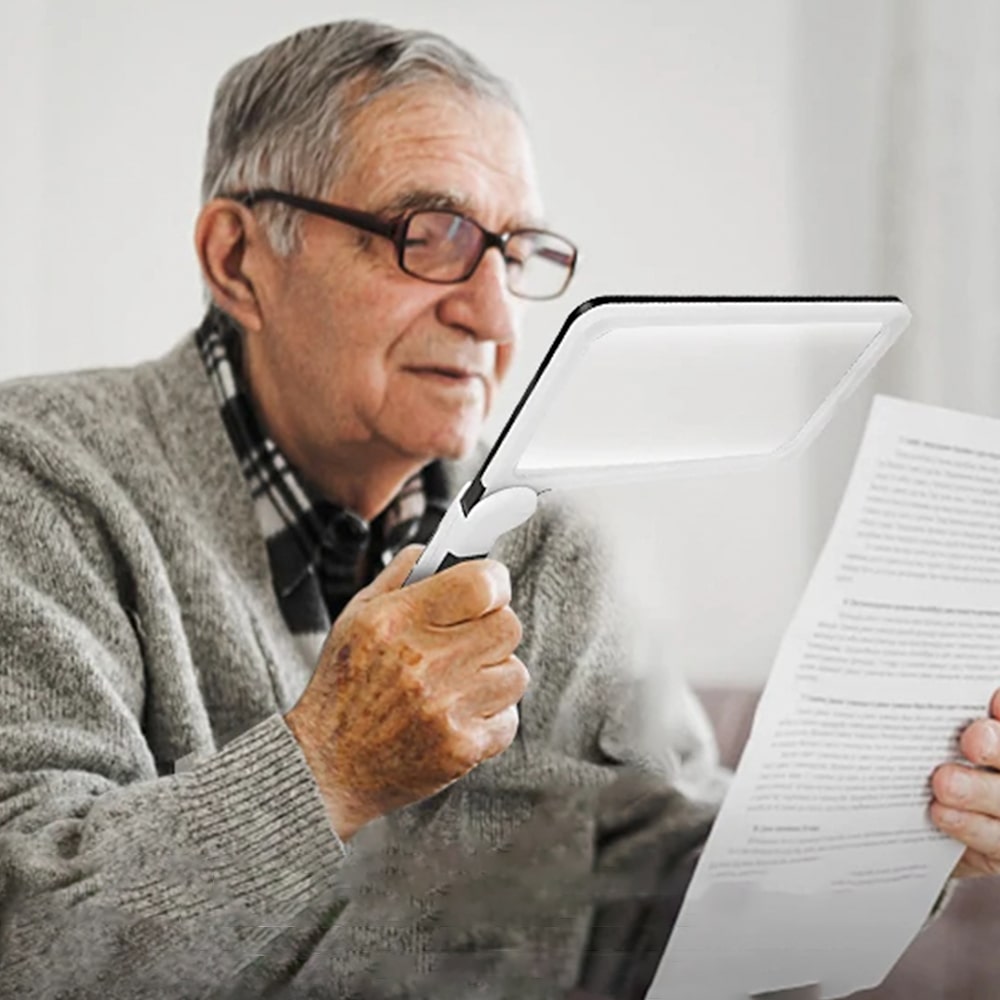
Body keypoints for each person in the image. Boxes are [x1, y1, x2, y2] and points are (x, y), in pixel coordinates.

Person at [0, 18, 997, 1000]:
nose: (492, 316)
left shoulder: (555, 544)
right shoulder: (37, 477)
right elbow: (27, 942)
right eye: (429, 237)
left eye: (516, 253)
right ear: (238, 258)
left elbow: (673, 897)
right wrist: (329, 763)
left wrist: (901, 832)